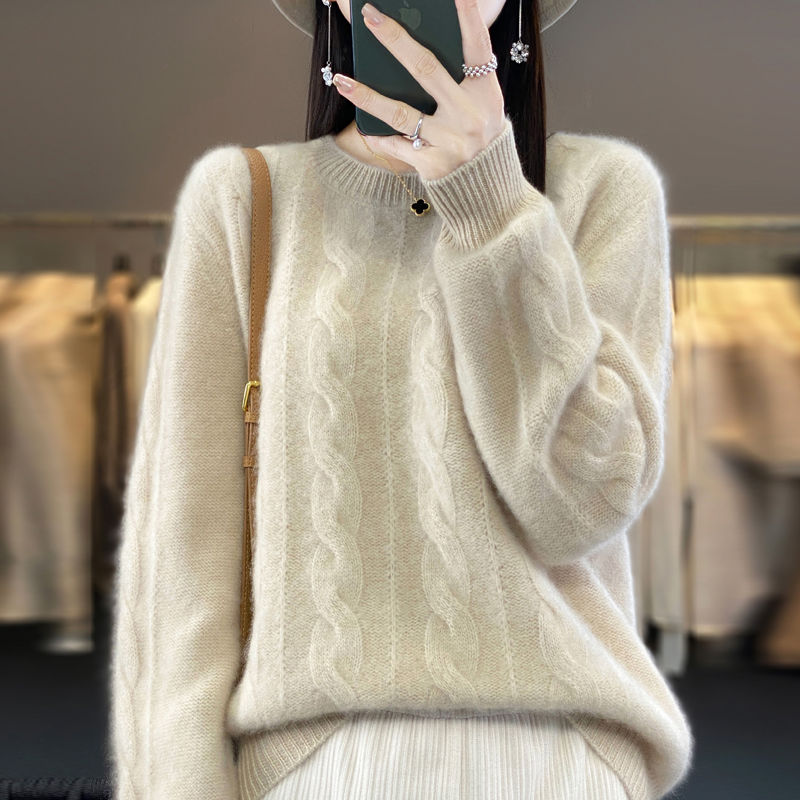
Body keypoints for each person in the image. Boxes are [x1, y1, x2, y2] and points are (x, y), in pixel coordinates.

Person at [109, 0, 695, 798]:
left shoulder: (604, 190)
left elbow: (582, 508)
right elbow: (183, 561)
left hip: (563, 757)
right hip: (314, 765)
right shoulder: (243, 198)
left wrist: (491, 204)